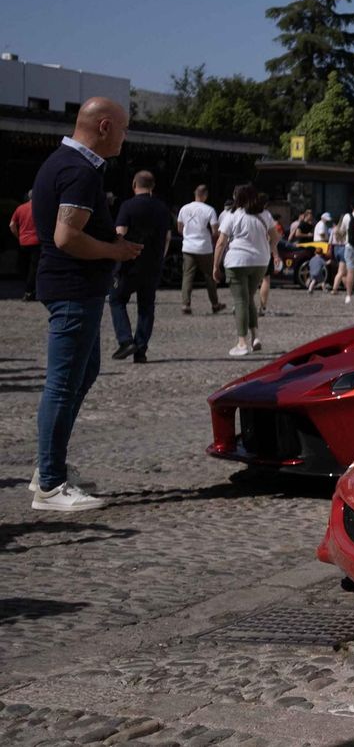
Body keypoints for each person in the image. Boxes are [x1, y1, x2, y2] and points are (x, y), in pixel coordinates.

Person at [29, 98, 142, 511]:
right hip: (73, 287)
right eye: (125, 129)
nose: (126, 137)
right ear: (106, 126)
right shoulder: (79, 170)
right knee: (62, 384)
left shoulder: (63, 163)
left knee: (82, 373)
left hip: (72, 286)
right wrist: (116, 250)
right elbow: (67, 237)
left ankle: (49, 467)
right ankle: (51, 484)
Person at [109, 170, 172, 363]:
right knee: (146, 307)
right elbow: (168, 237)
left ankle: (126, 340)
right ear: (152, 186)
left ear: (134, 184)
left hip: (130, 262)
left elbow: (120, 232)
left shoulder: (128, 206)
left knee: (116, 299)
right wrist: (160, 257)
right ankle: (141, 349)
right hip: (153, 264)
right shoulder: (162, 208)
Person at [215, 184, 276, 357]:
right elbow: (276, 236)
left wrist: (215, 266)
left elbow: (221, 242)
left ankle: (242, 343)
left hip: (237, 261)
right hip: (260, 262)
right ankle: (255, 336)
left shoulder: (232, 215)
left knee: (241, 301)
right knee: (249, 298)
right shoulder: (265, 215)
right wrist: (268, 250)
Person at [175, 184, 224, 315]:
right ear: (205, 195)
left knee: (187, 276)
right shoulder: (209, 210)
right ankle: (215, 303)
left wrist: (188, 234)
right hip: (204, 247)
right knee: (209, 276)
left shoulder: (184, 209)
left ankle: (186, 304)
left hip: (188, 247)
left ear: (195, 194)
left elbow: (179, 228)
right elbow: (215, 231)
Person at [9, 190, 41, 301]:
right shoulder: (40, 208)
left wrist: (18, 236)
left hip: (23, 241)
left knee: (24, 266)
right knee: (34, 268)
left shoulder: (20, 208)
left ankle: (25, 287)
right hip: (36, 241)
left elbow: (12, 225)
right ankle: (30, 291)